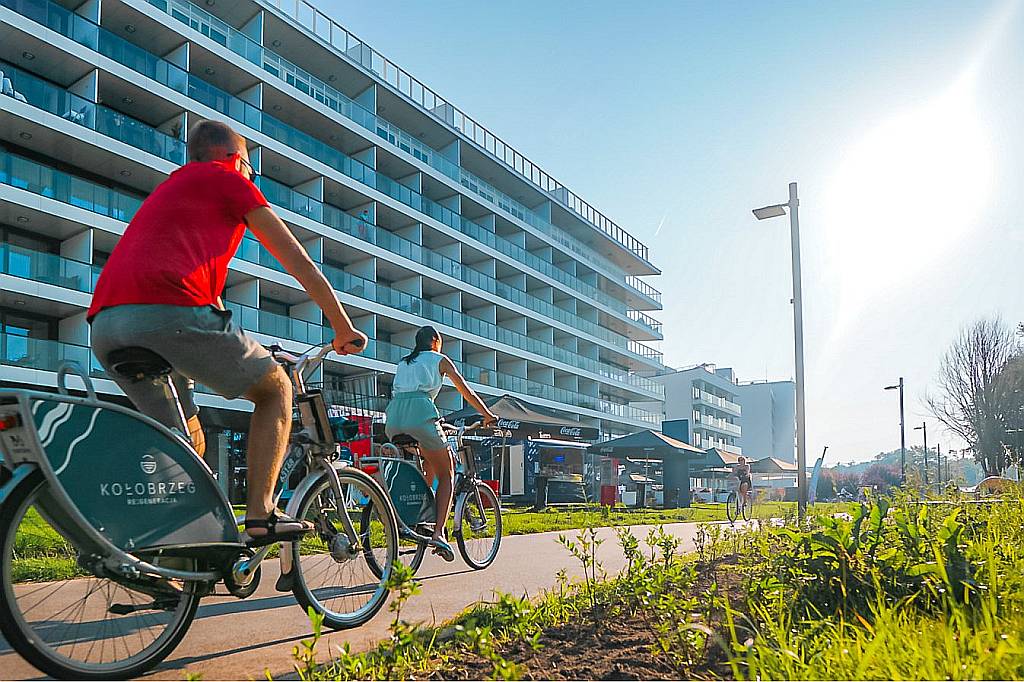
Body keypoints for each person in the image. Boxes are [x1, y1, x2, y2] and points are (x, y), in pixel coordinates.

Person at [89, 119, 368, 546]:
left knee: (185, 442)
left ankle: (168, 558)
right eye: (253, 171)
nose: (253, 178)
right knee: (275, 389)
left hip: (107, 325)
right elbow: (298, 261)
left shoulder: (173, 189)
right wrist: (342, 326)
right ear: (237, 159)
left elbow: (209, 303)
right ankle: (261, 515)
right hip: (169, 311)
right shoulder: (228, 180)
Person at [385, 325, 497, 561]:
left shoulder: (404, 362)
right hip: (420, 415)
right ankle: (438, 533)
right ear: (435, 341)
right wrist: (487, 415)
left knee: (428, 464)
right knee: (447, 473)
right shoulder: (440, 360)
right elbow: (467, 392)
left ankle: (419, 516)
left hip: (394, 418)